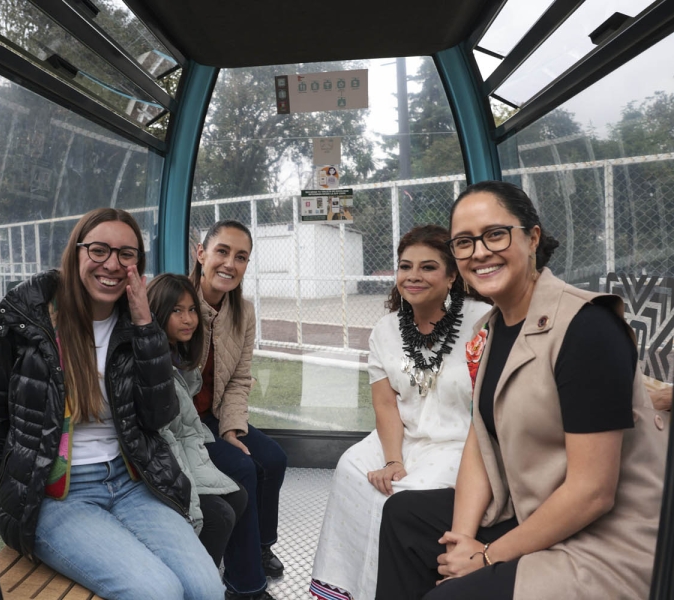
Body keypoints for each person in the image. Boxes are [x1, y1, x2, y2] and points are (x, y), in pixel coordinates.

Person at [376, 181, 668, 600]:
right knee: (405, 516)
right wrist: (458, 541)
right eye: (463, 242)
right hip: (533, 505)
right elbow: (480, 435)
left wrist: (487, 557)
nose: (479, 252)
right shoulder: (489, 331)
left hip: (605, 540)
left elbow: (593, 492)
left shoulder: (587, 327)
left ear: (532, 238)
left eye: (495, 234)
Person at [0, 208, 225, 600]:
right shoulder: (28, 323)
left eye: (126, 254)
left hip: (131, 483)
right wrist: (23, 485)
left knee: (208, 589)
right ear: (76, 253)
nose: (112, 263)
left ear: (137, 266)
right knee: (158, 592)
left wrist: (147, 328)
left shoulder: (136, 326)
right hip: (58, 495)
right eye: (98, 250)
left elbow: (160, 414)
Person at [309, 225, 491, 600]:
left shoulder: (483, 320)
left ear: (452, 275)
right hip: (403, 436)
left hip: (460, 442)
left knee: (405, 494)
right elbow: (386, 404)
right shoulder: (385, 329)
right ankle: (345, 590)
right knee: (350, 468)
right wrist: (392, 458)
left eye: (428, 267)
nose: (413, 276)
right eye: (405, 266)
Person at [191, 219, 288, 600]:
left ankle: (261, 546)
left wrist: (231, 429)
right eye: (222, 252)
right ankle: (245, 586)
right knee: (242, 469)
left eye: (241, 257)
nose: (230, 263)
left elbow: (238, 379)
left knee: (274, 459)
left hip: (214, 417)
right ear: (202, 254)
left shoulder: (243, 311)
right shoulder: (176, 301)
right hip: (181, 424)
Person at [148, 273, 249, 567]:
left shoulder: (177, 357)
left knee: (238, 496)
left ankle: (213, 575)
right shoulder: (153, 363)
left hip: (182, 449)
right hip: (159, 463)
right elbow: (163, 436)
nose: (188, 319)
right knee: (217, 515)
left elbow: (185, 429)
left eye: (192, 310)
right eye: (177, 311)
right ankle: (197, 581)